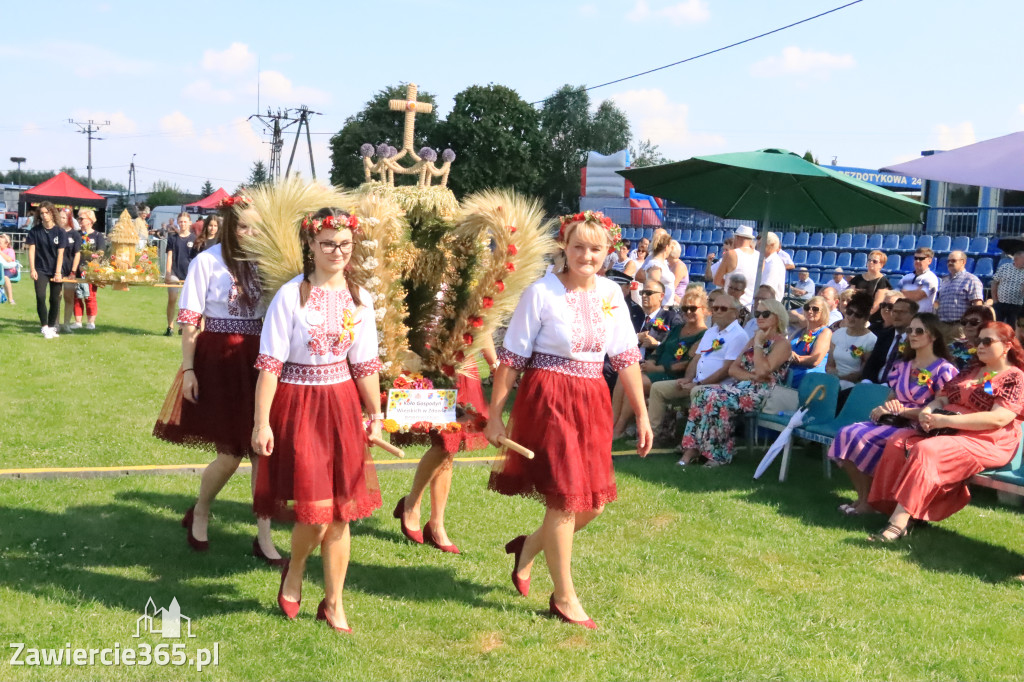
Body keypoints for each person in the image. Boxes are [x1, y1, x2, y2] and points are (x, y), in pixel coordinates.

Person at [485, 210, 652, 629]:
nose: (586, 255)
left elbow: (627, 360)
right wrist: (495, 416)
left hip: (592, 399)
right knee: (563, 499)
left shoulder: (613, 293)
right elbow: (511, 360)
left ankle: (527, 549)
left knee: (592, 504)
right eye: (578, 246)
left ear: (608, 251)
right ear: (565, 245)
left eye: (596, 248)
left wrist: (644, 417)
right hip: (550, 398)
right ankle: (564, 596)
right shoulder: (541, 292)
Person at [252, 208, 384, 633]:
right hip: (299, 404)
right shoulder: (291, 296)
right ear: (310, 244)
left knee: (342, 512)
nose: (337, 251)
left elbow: (364, 363)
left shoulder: (361, 298)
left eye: (345, 244)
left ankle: (334, 603)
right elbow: (270, 364)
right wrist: (261, 423)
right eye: (328, 243)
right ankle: (294, 571)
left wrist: (375, 414)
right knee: (317, 513)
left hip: (342, 404)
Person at [153, 196, 282, 565]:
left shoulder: (271, 260)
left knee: (263, 450)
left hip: (260, 358)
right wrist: (189, 370)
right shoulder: (206, 262)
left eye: (257, 226)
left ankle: (264, 536)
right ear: (228, 226)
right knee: (229, 455)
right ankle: (201, 511)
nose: (250, 233)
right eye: (243, 226)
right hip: (219, 361)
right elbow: (190, 322)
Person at [867, 321, 1024, 541]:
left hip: (987, 439)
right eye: (978, 340)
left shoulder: (1015, 377)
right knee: (898, 441)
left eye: (987, 341)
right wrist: (929, 411)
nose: (980, 346)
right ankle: (897, 509)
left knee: (926, 450)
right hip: (947, 429)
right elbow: (942, 396)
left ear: (1007, 345)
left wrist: (944, 421)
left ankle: (899, 522)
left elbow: (999, 418)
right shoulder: (972, 369)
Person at [828, 313, 957, 515]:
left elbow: (940, 409)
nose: (912, 335)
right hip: (894, 421)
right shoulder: (902, 366)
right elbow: (891, 397)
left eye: (919, 331)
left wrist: (905, 411)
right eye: (909, 330)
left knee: (861, 436)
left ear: (933, 336)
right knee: (846, 433)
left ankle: (869, 503)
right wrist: (885, 408)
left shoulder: (944, 370)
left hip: (919, 427)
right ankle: (864, 499)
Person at [394, 337, 497, 554]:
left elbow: (482, 319)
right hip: (429, 359)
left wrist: (493, 362)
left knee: (450, 445)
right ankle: (413, 505)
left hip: (463, 364)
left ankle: (436, 523)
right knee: (445, 442)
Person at [679, 298, 791, 466]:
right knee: (703, 393)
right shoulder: (753, 340)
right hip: (743, 387)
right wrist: (753, 376)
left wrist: (759, 345)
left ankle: (719, 455)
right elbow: (733, 369)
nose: (759, 317)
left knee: (716, 398)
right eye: (757, 313)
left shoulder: (782, 344)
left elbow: (763, 370)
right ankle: (693, 449)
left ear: (777, 317)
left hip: (765, 393)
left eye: (765, 314)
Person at [671, 293, 748, 463]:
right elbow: (697, 358)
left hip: (720, 386)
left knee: (699, 393)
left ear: (735, 313)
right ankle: (653, 436)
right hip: (698, 382)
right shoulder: (711, 331)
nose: (717, 311)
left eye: (723, 308)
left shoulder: (739, 335)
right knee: (658, 389)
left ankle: (692, 448)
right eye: (715, 308)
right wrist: (688, 379)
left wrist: (697, 384)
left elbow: (727, 370)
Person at [611, 279, 680, 438]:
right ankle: (613, 422)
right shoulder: (639, 316)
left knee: (632, 380)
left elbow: (676, 347)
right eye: (642, 293)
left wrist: (657, 344)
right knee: (623, 378)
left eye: (649, 293)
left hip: (654, 367)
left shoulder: (671, 317)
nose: (644, 296)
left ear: (661, 296)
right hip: (635, 364)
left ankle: (620, 427)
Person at [646, 287, 710, 444]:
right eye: (685, 308)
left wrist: (657, 369)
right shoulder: (676, 328)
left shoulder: (705, 334)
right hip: (657, 369)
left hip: (673, 374)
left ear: (704, 310)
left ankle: (646, 433)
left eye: (693, 308)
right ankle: (618, 425)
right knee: (626, 378)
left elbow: (687, 363)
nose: (688, 312)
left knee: (639, 382)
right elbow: (660, 348)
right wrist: (652, 360)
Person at [26, 201, 68, 338]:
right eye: (42, 213)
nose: (44, 215)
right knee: (40, 297)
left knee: (55, 299)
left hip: (55, 269)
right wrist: (32, 269)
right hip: (40, 269)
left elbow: (60, 253)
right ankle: (44, 327)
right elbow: (31, 251)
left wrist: (57, 272)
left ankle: (51, 327)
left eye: (47, 212)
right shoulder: (35, 231)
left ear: (52, 213)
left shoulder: (60, 232)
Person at [862, 297, 918, 385]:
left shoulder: (916, 341)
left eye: (902, 312)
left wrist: (888, 385)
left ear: (913, 316)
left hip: (897, 390)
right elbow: (872, 363)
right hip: (874, 386)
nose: (896, 315)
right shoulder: (884, 335)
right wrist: (868, 381)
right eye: (895, 311)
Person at [826, 292, 877, 389]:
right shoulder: (838, 334)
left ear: (865, 318)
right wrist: (835, 377)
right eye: (849, 312)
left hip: (854, 386)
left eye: (858, 315)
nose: (851, 317)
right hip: (834, 382)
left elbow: (862, 373)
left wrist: (842, 378)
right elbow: (829, 365)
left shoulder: (871, 340)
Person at [788, 295, 832, 388]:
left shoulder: (825, 332)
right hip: (789, 373)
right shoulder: (799, 331)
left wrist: (793, 358)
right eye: (807, 308)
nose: (810, 311)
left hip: (807, 377)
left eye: (815, 309)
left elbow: (814, 361)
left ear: (823, 313)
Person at [165, 213, 197, 336]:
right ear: (178, 223)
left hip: (189, 274)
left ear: (190, 223)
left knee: (186, 302)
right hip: (174, 272)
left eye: (185, 222)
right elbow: (169, 256)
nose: (183, 224)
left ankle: (182, 326)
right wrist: (168, 273)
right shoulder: (173, 238)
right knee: (172, 299)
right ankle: (170, 326)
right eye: (181, 222)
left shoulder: (194, 239)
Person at [74, 208, 105, 329]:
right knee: (76, 295)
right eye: (79, 218)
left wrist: (95, 258)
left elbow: (101, 251)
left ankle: (91, 322)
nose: (79, 220)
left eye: (82, 218)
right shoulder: (76, 234)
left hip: (91, 270)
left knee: (90, 296)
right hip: (76, 269)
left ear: (90, 220)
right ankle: (78, 322)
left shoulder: (97, 235)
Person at [714, 225, 758, 307]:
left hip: (731, 304)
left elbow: (717, 280)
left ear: (737, 237)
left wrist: (730, 286)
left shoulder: (731, 254)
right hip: (750, 305)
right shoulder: (759, 256)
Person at [936, 250, 983, 327]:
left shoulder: (971, 279)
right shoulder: (944, 281)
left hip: (961, 325)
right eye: (948, 261)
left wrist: (973, 324)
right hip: (942, 326)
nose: (950, 263)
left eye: (953, 260)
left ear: (963, 262)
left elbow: (977, 305)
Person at [56, 208, 82, 333]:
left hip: (70, 270)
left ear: (69, 219)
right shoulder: (55, 232)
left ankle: (66, 324)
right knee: (56, 297)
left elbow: (77, 254)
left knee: (69, 297)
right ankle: (55, 324)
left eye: (64, 218)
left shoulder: (75, 234)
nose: (61, 220)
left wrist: (73, 271)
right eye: (59, 217)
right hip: (56, 269)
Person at [849, 250, 893, 324]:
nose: (870, 262)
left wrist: (863, 317)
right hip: (854, 314)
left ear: (881, 265)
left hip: (871, 319)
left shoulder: (882, 281)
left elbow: (877, 304)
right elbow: (850, 296)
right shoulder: (857, 278)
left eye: (874, 261)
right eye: (869, 260)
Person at [635, 228, 676, 306]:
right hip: (661, 308)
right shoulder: (655, 265)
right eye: (671, 247)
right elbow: (654, 290)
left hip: (668, 306)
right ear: (667, 247)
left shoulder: (663, 263)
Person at [949, 305, 995, 369]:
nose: (967, 325)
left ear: (987, 324)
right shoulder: (953, 346)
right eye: (964, 322)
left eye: (974, 322)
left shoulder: (994, 349)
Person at [899, 247, 940, 314]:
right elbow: (895, 295)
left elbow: (916, 296)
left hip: (921, 318)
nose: (917, 261)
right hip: (905, 317)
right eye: (915, 258)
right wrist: (914, 292)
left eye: (921, 259)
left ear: (929, 261)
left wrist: (902, 292)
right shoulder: (906, 277)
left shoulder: (931, 278)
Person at [990, 250, 1024, 326]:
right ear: (1016, 260)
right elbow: (994, 283)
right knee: (998, 326)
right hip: (1000, 303)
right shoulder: (1005, 267)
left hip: (1016, 305)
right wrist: (995, 301)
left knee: (1012, 327)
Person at [760, 232, 787, 303]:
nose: (759, 248)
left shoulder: (773, 264)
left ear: (771, 245)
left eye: (762, 245)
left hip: (767, 305)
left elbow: (766, 289)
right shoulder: (770, 261)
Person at [0, 234, 17, 305]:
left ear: (6, 243)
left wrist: (0, 253)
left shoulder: (10, 251)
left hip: (9, 270)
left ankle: (10, 299)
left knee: (5, 278)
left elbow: (9, 259)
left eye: (0, 243)